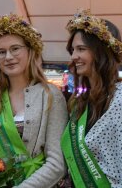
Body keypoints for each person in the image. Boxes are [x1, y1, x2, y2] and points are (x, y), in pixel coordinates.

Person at [0, 14, 68, 187]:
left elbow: (57, 164)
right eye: (1, 52)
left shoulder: (50, 95)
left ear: (30, 51)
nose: (8, 57)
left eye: (15, 48)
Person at [61, 10, 122, 187]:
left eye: (81, 49)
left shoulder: (119, 99)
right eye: (72, 50)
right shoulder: (81, 101)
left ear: (101, 51)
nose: (73, 57)